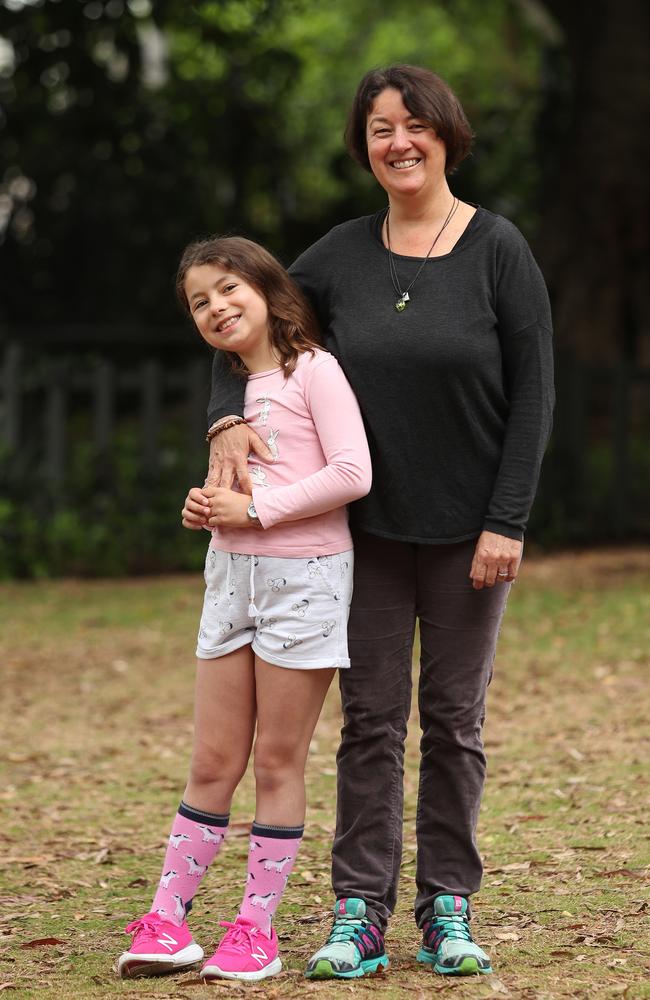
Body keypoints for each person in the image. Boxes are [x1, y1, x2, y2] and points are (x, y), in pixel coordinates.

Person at [196, 65, 555, 979]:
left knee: (453, 721)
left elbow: (536, 396)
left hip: (472, 531)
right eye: (379, 130)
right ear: (364, 148)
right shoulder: (337, 258)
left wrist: (506, 520)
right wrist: (225, 416)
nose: (397, 142)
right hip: (362, 536)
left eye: (413, 125)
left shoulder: (498, 249)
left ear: (446, 133)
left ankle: (448, 907)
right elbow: (243, 329)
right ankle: (359, 908)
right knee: (371, 724)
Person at [117, 236, 371, 982]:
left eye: (228, 288)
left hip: (307, 584)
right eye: (199, 301)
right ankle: (167, 922)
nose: (216, 307)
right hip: (230, 583)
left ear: (265, 288)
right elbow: (239, 490)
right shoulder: (225, 396)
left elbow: (352, 471)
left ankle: (255, 931)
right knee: (212, 760)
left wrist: (255, 509)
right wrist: (209, 507)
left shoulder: (314, 371)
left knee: (275, 759)